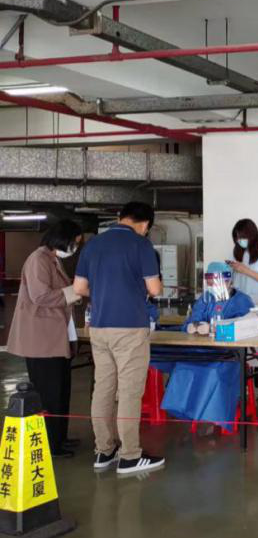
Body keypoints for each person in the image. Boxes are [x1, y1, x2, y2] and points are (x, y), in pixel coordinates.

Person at [72, 201, 165, 476]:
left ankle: (104, 450)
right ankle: (130, 456)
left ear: (120, 217)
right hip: (130, 328)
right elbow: (155, 289)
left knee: (103, 388)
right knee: (129, 392)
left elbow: (79, 288)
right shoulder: (141, 245)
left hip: (99, 327)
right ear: (145, 224)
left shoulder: (93, 245)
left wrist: (105, 292)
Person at [6, 218, 83, 457]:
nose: (74, 248)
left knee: (61, 391)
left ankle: (60, 438)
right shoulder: (38, 259)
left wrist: (73, 293)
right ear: (62, 239)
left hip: (54, 338)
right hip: (41, 341)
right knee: (49, 394)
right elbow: (40, 296)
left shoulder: (52, 259)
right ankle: (50, 444)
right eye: (74, 243)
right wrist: (75, 292)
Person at [158, 262, 253, 424]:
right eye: (210, 285)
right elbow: (194, 318)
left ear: (228, 281)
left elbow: (245, 328)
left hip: (229, 355)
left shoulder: (242, 301)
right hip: (204, 351)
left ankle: (211, 414)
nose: (213, 288)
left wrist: (215, 329)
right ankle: (187, 412)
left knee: (212, 372)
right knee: (183, 366)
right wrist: (192, 326)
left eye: (216, 284)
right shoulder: (206, 298)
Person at [228, 217, 258, 400]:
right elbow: (235, 279)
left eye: (241, 237)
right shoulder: (238, 252)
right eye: (236, 238)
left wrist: (245, 270)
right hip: (239, 307)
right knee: (240, 349)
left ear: (251, 234)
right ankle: (243, 387)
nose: (239, 241)